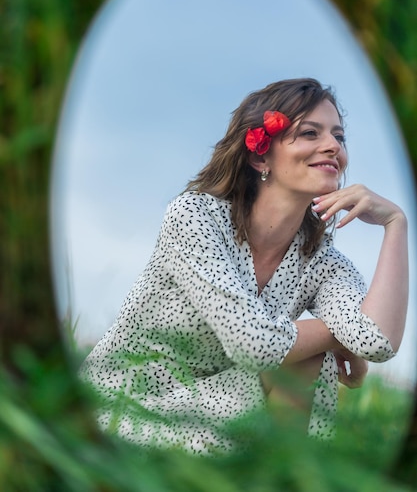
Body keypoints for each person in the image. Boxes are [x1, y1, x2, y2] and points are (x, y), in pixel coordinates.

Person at [79, 78, 408, 454]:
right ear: (259, 156)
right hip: (121, 406)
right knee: (310, 349)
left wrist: (395, 224)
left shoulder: (322, 261)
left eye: (339, 136)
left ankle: (283, 476)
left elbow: (376, 341)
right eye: (309, 133)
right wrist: (338, 335)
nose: (333, 146)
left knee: (310, 358)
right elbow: (251, 342)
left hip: (218, 403)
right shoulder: (195, 216)